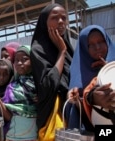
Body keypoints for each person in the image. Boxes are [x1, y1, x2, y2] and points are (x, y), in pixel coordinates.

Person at [30, 3, 74, 140]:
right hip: (51, 113)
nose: (60, 21)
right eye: (55, 18)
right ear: (44, 22)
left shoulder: (69, 48)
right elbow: (48, 85)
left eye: (64, 18)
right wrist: (61, 52)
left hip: (72, 109)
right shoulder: (38, 50)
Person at [67, 25, 115, 131]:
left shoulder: (113, 66)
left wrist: (108, 70)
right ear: (84, 47)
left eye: (101, 41)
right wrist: (88, 99)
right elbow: (77, 112)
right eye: (91, 44)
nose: (97, 47)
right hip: (91, 130)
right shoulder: (78, 72)